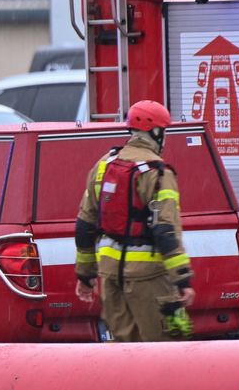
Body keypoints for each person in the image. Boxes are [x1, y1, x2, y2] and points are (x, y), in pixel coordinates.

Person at [74, 100, 195, 342]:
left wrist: (85, 276)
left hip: (110, 276)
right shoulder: (158, 173)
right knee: (169, 348)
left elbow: (84, 226)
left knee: (123, 352)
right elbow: (165, 230)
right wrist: (182, 279)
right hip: (150, 277)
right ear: (157, 132)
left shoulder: (103, 166)